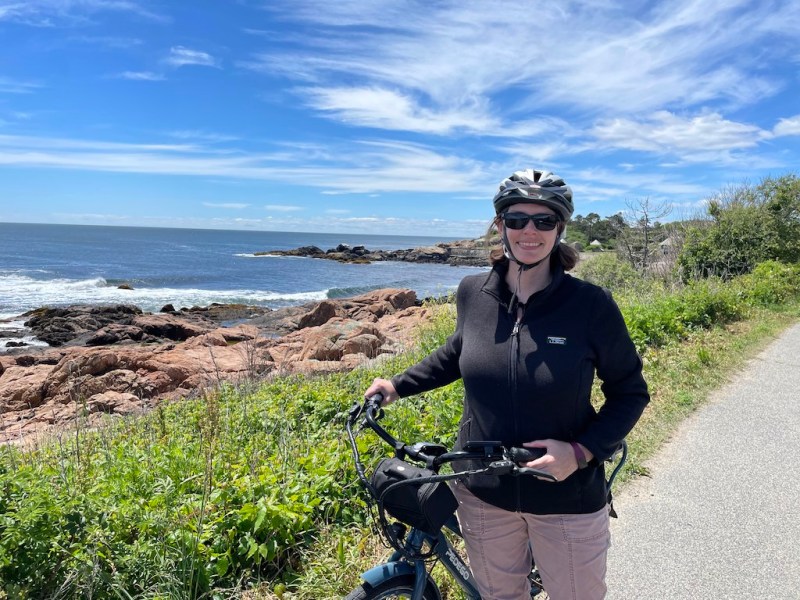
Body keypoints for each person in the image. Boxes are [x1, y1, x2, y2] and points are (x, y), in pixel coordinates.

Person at [364, 169, 650, 600]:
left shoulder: (590, 306)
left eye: (544, 220)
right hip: (483, 493)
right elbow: (457, 353)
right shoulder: (472, 292)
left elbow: (630, 392)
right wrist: (397, 385)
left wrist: (580, 452)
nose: (528, 231)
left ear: (560, 228)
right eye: (516, 220)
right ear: (500, 226)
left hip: (565, 496)